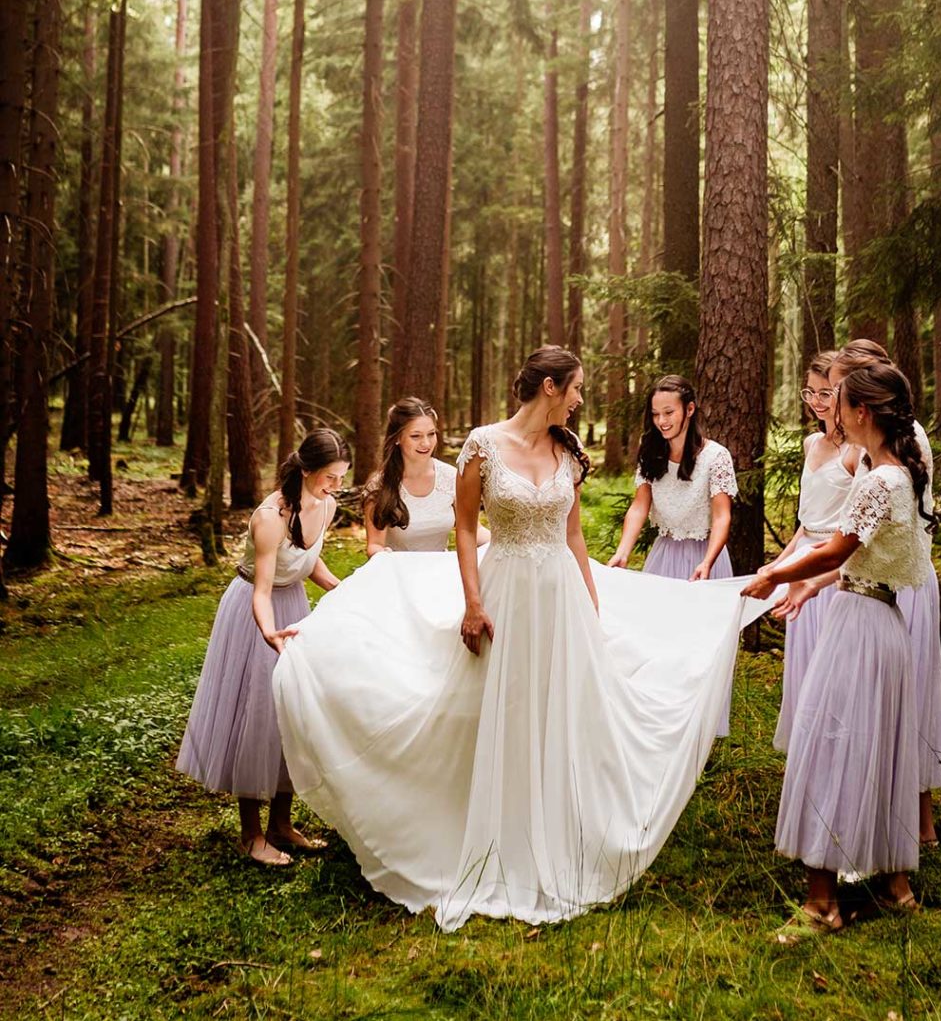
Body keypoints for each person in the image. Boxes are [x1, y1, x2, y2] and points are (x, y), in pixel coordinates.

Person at [272, 346, 772, 929]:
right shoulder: (482, 444)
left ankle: (562, 827)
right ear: (552, 387)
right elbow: (463, 528)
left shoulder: (569, 450)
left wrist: (593, 602)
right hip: (505, 589)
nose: (583, 399)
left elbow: (575, 536)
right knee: (498, 704)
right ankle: (490, 831)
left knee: (563, 706)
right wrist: (474, 602)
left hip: (559, 593)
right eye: (578, 388)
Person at [741, 360, 929, 930]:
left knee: (827, 742)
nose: (833, 414)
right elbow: (854, 561)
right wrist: (809, 584)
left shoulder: (879, 481)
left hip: (859, 629)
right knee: (879, 748)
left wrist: (776, 575)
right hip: (881, 619)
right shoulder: (897, 471)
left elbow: (836, 549)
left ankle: (822, 904)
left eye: (840, 403)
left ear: (861, 412)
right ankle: (894, 885)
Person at [176, 427, 349, 866]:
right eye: (330, 477)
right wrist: (269, 633)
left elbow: (306, 558)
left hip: (293, 604)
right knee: (258, 715)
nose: (336, 486)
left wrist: (341, 588)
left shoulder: (326, 505)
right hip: (257, 610)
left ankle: (281, 824)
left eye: (341, 477)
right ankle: (251, 834)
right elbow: (262, 588)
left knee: (293, 711)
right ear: (308, 470)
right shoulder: (270, 516)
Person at [829, 340, 941, 845]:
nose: (830, 398)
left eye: (837, 387)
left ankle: (914, 824)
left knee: (910, 700)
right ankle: (886, 819)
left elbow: (888, 523)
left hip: (903, 583)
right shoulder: (867, 445)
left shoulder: (902, 444)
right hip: (871, 575)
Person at [767, 352, 859, 752]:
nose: (817, 402)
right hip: (805, 553)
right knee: (803, 657)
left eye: (826, 393)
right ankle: (808, 748)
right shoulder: (811, 443)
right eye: (811, 392)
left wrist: (816, 566)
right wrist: (781, 563)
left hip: (832, 562)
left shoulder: (855, 451)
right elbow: (806, 522)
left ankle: (836, 745)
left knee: (834, 664)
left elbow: (853, 525)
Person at [608, 376, 738, 583]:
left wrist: (707, 562)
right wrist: (623, 551)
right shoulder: (651, 453)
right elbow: (639, 506)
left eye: (669, 413)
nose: (661, 421)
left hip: (706, 555)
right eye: (655, 414)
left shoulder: (716, 456)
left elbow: (722, 517)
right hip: (664, 555)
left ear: (689, 409)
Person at [361, 397, 488, 554]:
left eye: (431, 434)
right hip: (398, 571)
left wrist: (503, 543)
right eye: (416, 436)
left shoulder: (451, 477)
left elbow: (474, 530)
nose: (426, 443)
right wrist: (382, 555)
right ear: (397, 438)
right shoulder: (379, 485)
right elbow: (374, 545)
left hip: (440, 570)